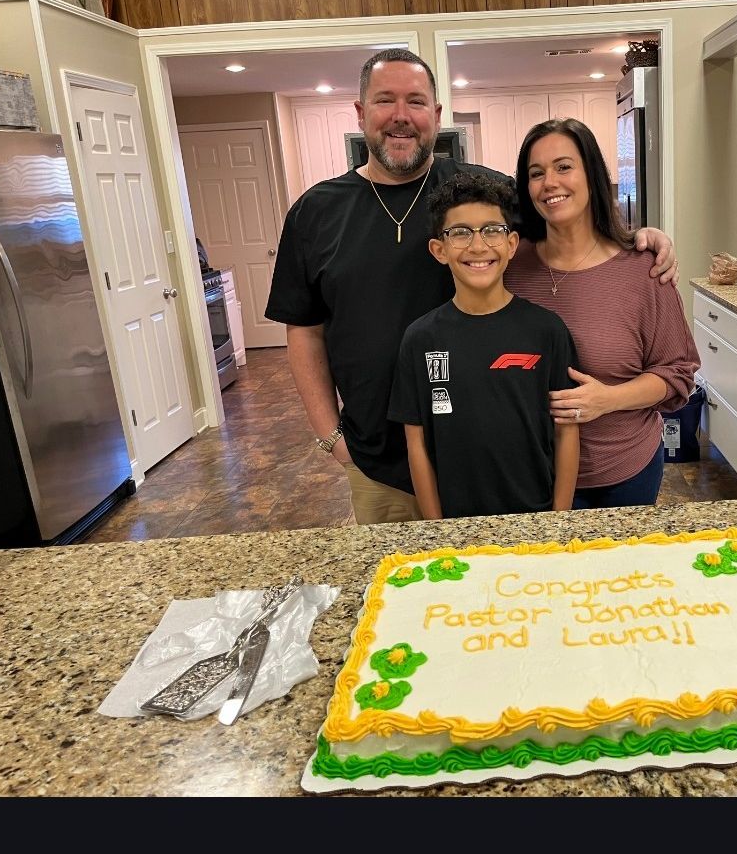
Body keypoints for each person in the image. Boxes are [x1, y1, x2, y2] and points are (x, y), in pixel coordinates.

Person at [264, 48, 679, 524]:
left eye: (416, 102)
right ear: (361, 112)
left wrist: (637, 236)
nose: (401, 117)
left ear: (436, 115)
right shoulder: (315, 213)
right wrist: (332, 439)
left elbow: (565, 217)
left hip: (496, 468)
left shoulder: (483, 195)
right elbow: (304, 331)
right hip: (378, 463)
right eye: (385, 101)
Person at [507, 117, 701, 508]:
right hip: (531, 473)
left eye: (564, 167)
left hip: (621, 474)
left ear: (591, 174)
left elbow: (677, 375)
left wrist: (607, 399)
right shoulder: (508, 265)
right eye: (536, 173)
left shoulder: (643, 269)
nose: (550, 183)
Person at [388, 167, 580, 518]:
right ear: (439, 249)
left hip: (535, 514)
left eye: (491, 231)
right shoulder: (420, 339)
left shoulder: (547, 330)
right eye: (460, 233)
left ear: (510, 244)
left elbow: (566, 431)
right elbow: (415, 443)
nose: (478, 246)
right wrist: (436, 528)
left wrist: (558, 518)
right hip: (455, 520)